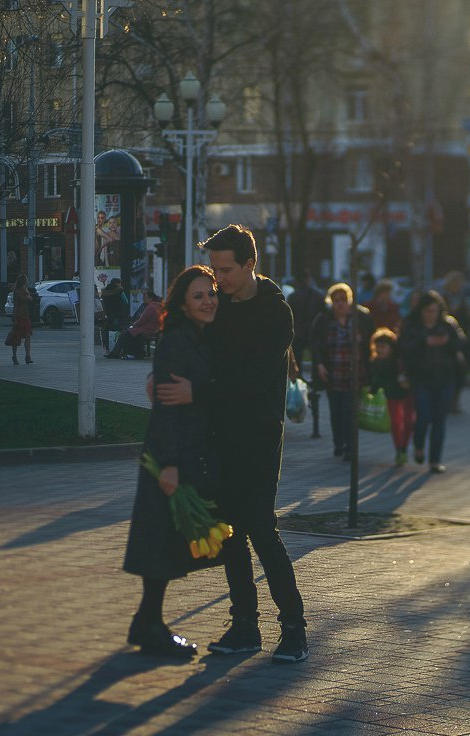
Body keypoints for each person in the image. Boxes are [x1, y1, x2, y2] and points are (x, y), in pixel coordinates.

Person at [156, 224, 308, 663]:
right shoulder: (218, 307)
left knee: (262, 531)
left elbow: (254, 382)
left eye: (226, 270)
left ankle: (294, 629)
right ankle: (244, 626)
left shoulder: (276, 313)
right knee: (229, 536)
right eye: (214, 269)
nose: (217, 278)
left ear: (249, 264)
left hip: (258, 440)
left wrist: (197, 393)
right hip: (218, 440)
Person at [123, 265, 222, 658]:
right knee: (160, 540)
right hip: (169, 456)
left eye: (211, 293)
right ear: (182, 302)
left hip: (185, 453)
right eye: (198, 295)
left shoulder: (201, 337)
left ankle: (147, 622)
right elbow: (165, 408)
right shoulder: (176, 341)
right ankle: (151, 627)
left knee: (164, 541)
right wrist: (168, 463)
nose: (208, 300)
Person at [399, 289, 463, 474]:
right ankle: (419, 446)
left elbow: (462, 344)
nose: (431, 315)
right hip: (421, 378)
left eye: (435, 311)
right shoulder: (412, 325)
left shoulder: (448, 325)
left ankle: (435, 460)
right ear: (421, 311)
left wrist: (447, 341)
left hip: (445, 378)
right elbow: (404, 347)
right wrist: (424, 341)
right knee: (423, 416)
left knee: (439, 420)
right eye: (428, 311)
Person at [309, 282, 375, 462]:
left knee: (349, 411)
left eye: (344, 300)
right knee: (336, 411)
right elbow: (315, 345)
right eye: (336, 300)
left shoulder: (360, 318)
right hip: (333, 374)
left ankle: (350, 447)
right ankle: (338, 442)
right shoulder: (324, 320)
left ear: (350, 301)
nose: (340, 304)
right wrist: (319, 365)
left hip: (355, 374)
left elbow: (371, 342)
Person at [369, 328, 414, 467]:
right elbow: (376, 380)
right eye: (378, 347)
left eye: (383, 347)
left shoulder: (398, 361)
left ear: (391, 347)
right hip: (391, 395)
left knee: (408, 421)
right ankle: (399, 449)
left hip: (406, 393)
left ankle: (404, 447)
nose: (380, 350)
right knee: (395, 422)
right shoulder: (376, 362)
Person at [439, 270, 470, 413]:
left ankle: (455, 400)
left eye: (460, 283)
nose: (458, 286)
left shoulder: (461, 299)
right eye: (455, 283)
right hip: (446, 341)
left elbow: (468, 319)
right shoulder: (443, 299)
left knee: (461, 372)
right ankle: (446, 401)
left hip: (460, 339)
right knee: (448, 373)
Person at [286, 270, 326, 374]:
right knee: (316, 357)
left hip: (298, 331)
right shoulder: (318, 296)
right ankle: (315, 381)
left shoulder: (293, 297)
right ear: (309, 279)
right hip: (315, 330)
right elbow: (324, 314)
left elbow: (289, 316)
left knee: (297, 357)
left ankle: (298, 378)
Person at [109, 289, 162, 359]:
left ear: (151, 298)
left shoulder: (151, 307)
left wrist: (134, 324)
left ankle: (119, 353)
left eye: (145, 297)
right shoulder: (158, 305)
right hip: (153, 328)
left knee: (126, 333)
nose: (143, 299)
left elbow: (142, 320)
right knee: (127, 332)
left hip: (148, 329)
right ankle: (116, 352)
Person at [4, 273, 34, 365]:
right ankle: (14, 356)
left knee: (28, 336)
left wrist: (27, 292)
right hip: (19, 316)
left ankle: (28, 355)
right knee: (16, 338)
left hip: (26, 316)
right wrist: (15, 318)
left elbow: (31, 299)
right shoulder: (17, 292)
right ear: (23, 282)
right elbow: (17, 305)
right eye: (26, 281)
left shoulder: (25, 291)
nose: (27, 282)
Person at [101, 277, 129, 357]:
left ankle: (108, 349)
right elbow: (126, 301)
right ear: (117, 283)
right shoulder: (120, 291)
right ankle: (116, 350)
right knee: (117, 331)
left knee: (109, 330)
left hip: (108, 314)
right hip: (118, 313)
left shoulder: (105, 291)